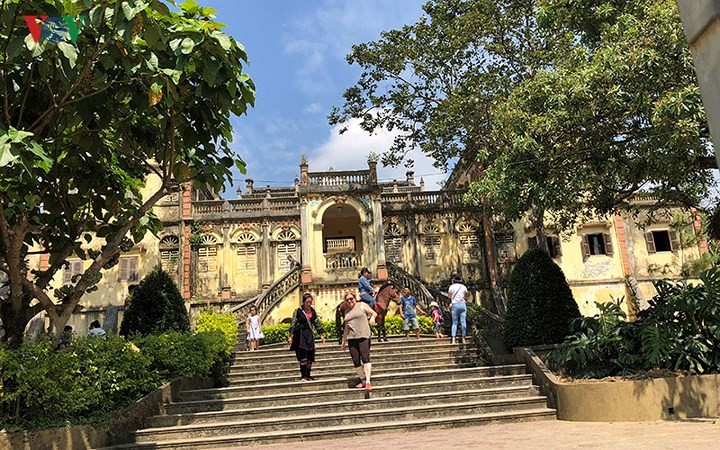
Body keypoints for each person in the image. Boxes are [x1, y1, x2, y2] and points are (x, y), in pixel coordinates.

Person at [341, 292, 377, 391]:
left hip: (363, 335)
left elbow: (374, 313)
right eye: (347, 300)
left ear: (355, 298)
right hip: (352, 338)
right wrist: (344, 341)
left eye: (351, 298)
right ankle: (363, 380)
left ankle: (368, 381)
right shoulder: (346, 311)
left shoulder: (362, 305)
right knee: (356, 360)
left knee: (365, 358)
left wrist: (373, 317)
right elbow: (346, 328)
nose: (349, 301)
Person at [288, 292, 326, 381]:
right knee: (303, 356)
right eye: (307, 302)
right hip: (301, 335)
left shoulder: (312, 311)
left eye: (310, 302)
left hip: (309, 335)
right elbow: (293, 323)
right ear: (303, 302)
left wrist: (321, 334)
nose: (309, 304)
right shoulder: (298, 311)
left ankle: (308, 374)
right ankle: (303, 375)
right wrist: (290, 335)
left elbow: (317, 323)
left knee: (310, 356)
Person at [448, 275, 468, 344]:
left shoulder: (451, 287)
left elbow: (449, 296)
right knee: (463, 322)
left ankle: (453, 339)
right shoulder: (463, 287)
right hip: (462, 304)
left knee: (455, 323)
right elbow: (466, 295)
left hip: (455, 305)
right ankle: (463, 338)